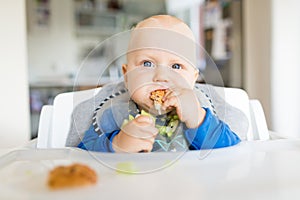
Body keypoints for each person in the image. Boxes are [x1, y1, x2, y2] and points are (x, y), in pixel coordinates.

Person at [76, 15, 241, 153]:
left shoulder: (201, 112)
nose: (162, 77)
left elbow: (232, 151)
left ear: (193, 79)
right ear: (127, 76)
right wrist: (116, 144)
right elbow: (83, 152)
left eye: (176, 66)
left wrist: (198, 119)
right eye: (147, 63)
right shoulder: (114, 114)